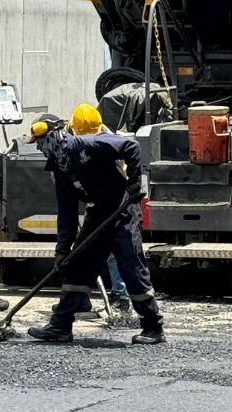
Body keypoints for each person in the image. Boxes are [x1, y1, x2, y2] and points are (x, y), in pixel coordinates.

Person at [26, 103, 164, 344]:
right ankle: (60, 326)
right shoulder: (60, 168)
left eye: (42, 142)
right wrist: (62, 251)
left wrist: (134, 183)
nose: (40, 148)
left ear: (54, 137)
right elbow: (67, 212)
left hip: (122, 212)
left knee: (132, 269)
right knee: (79, 265)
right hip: (99, 214)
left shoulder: (87, 143)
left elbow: (131, 146)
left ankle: (153, 327)